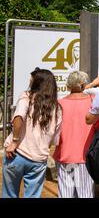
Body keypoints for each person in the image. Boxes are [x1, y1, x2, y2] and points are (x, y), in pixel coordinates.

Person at [2, 68, 62, 198]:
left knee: (9, 194)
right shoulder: (57, 108)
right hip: (38, 159)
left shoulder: (26, 97)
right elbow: (54, 139)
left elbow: (18, 116)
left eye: (32, 80)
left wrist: (15, 140)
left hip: (16, 154)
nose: (30, 82)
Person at [53, 71, 95, 198]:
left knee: (65, 194)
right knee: (85, 194)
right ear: (83, 85)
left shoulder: (59, 103)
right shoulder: (92, 102)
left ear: (69, 85)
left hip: (64, 156)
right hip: (85, 157)